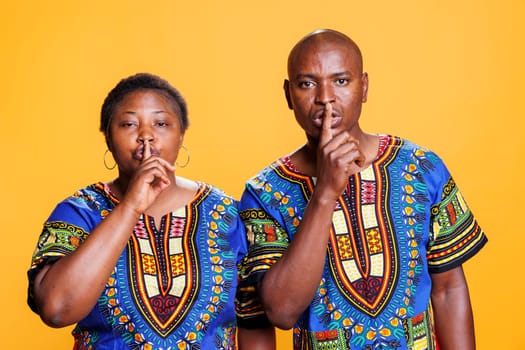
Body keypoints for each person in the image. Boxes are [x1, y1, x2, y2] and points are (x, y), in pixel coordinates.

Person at [235, 29, 488, 350]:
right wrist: (325, 193)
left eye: (341, 81)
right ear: (288, 94)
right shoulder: (264, 192)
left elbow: (449, 289)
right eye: (307, 83)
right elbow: (281, 312)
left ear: (364, 86)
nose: (325, 97)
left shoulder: (421, 167)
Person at [27, 73, 246, 349]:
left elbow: (254, 321)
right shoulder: (79, 212)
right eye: (129, 124)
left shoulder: (227, 213)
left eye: (161, 123)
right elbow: (56, 309)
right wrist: (131, 206)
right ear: (108, 137)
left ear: (181, 135)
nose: (146, 136)